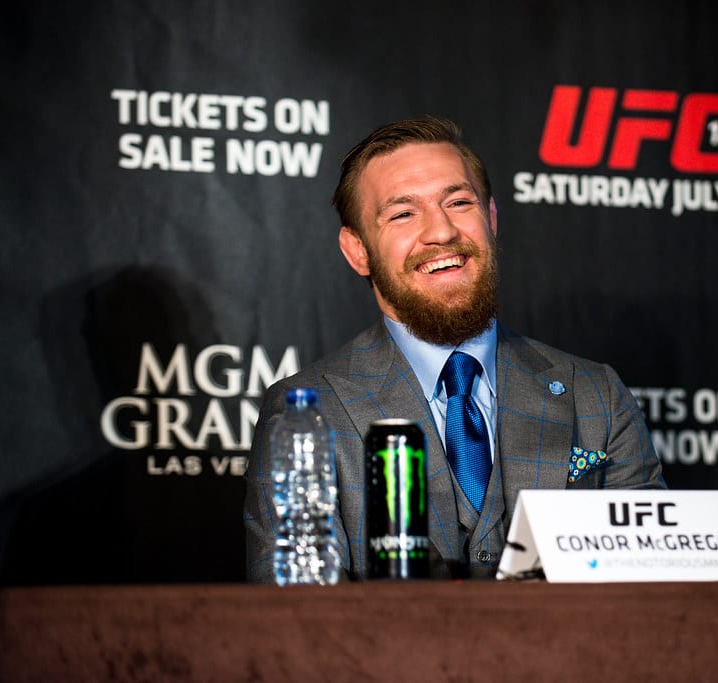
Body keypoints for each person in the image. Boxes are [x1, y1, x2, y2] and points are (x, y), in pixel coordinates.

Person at [244, 116, 665, 581]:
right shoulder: (307, 413)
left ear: (491, 218)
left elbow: (652, 590)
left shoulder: (596, 395)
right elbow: (300, 608)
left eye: (459, 202)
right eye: (403, 214)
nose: (442, 232)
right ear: (358, 249)